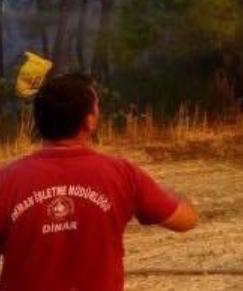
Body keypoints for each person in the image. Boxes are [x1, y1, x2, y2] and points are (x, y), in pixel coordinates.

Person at [0, 73, 198, 290]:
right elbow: (186, 221)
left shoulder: (7, 180)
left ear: (38, 120)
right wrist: (167, 192)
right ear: (89, 120)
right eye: (96, 107)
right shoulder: (122, 174)